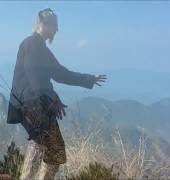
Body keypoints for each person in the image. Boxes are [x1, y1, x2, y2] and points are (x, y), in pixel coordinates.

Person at [6, 8, 107, 180]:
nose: (57, 30)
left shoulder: (39, 47)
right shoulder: (32, 44)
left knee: (40, 144)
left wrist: (88, 79)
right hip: (32, 104)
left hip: (32, 104)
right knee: (55, 150)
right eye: (55, 26)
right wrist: (50, 98)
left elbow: (60, 73)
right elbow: (34, 76)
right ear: (44, 25)